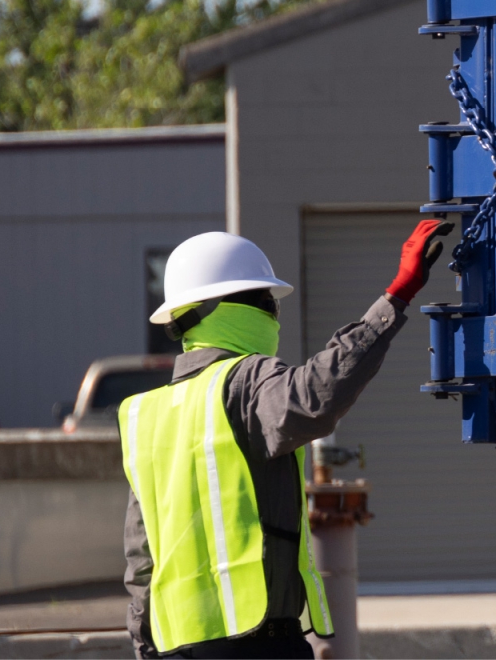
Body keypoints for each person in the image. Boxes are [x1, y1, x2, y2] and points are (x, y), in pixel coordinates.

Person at [120, 221, 450, 659]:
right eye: (265, 302)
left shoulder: (144, 414)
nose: (273, 315)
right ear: (227, 308)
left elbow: (140, 558)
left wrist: (143, 648)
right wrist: (395, 299)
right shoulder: (243, 384)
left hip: (173, 649)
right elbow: (316, 395)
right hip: (257, 643)